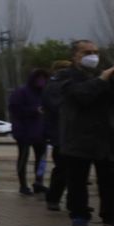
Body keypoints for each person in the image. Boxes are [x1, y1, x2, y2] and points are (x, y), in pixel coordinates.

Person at [46, 40, 114, 226]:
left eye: (95, 51)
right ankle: (79, 215)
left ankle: (112, 216)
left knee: (110, 181)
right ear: (75, 56)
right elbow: (80, 96)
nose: (92, 56)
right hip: (78, 137)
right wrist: (101, 80)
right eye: (86, 52)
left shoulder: (107, 74)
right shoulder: (64, 77)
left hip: (107, 137)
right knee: (77, 180)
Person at [7, 69, 50, 196]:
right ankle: (23, 185)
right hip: (24, 132)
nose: (41, 81)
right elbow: (14, 109)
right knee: (23, 158)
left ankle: (39, 183)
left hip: (41, 132)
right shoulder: (21, 92)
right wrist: (34, 110)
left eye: (44, 79)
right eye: (39, 78)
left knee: (41, 159)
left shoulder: (45, 93)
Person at [41, 59, 74, 211]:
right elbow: (57, 107)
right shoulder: (55, 86)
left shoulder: (54, 85)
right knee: (63, 169)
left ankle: (67, 201)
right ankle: (54, 198)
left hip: (64, 133)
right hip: (60, 134)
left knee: (69, 170)